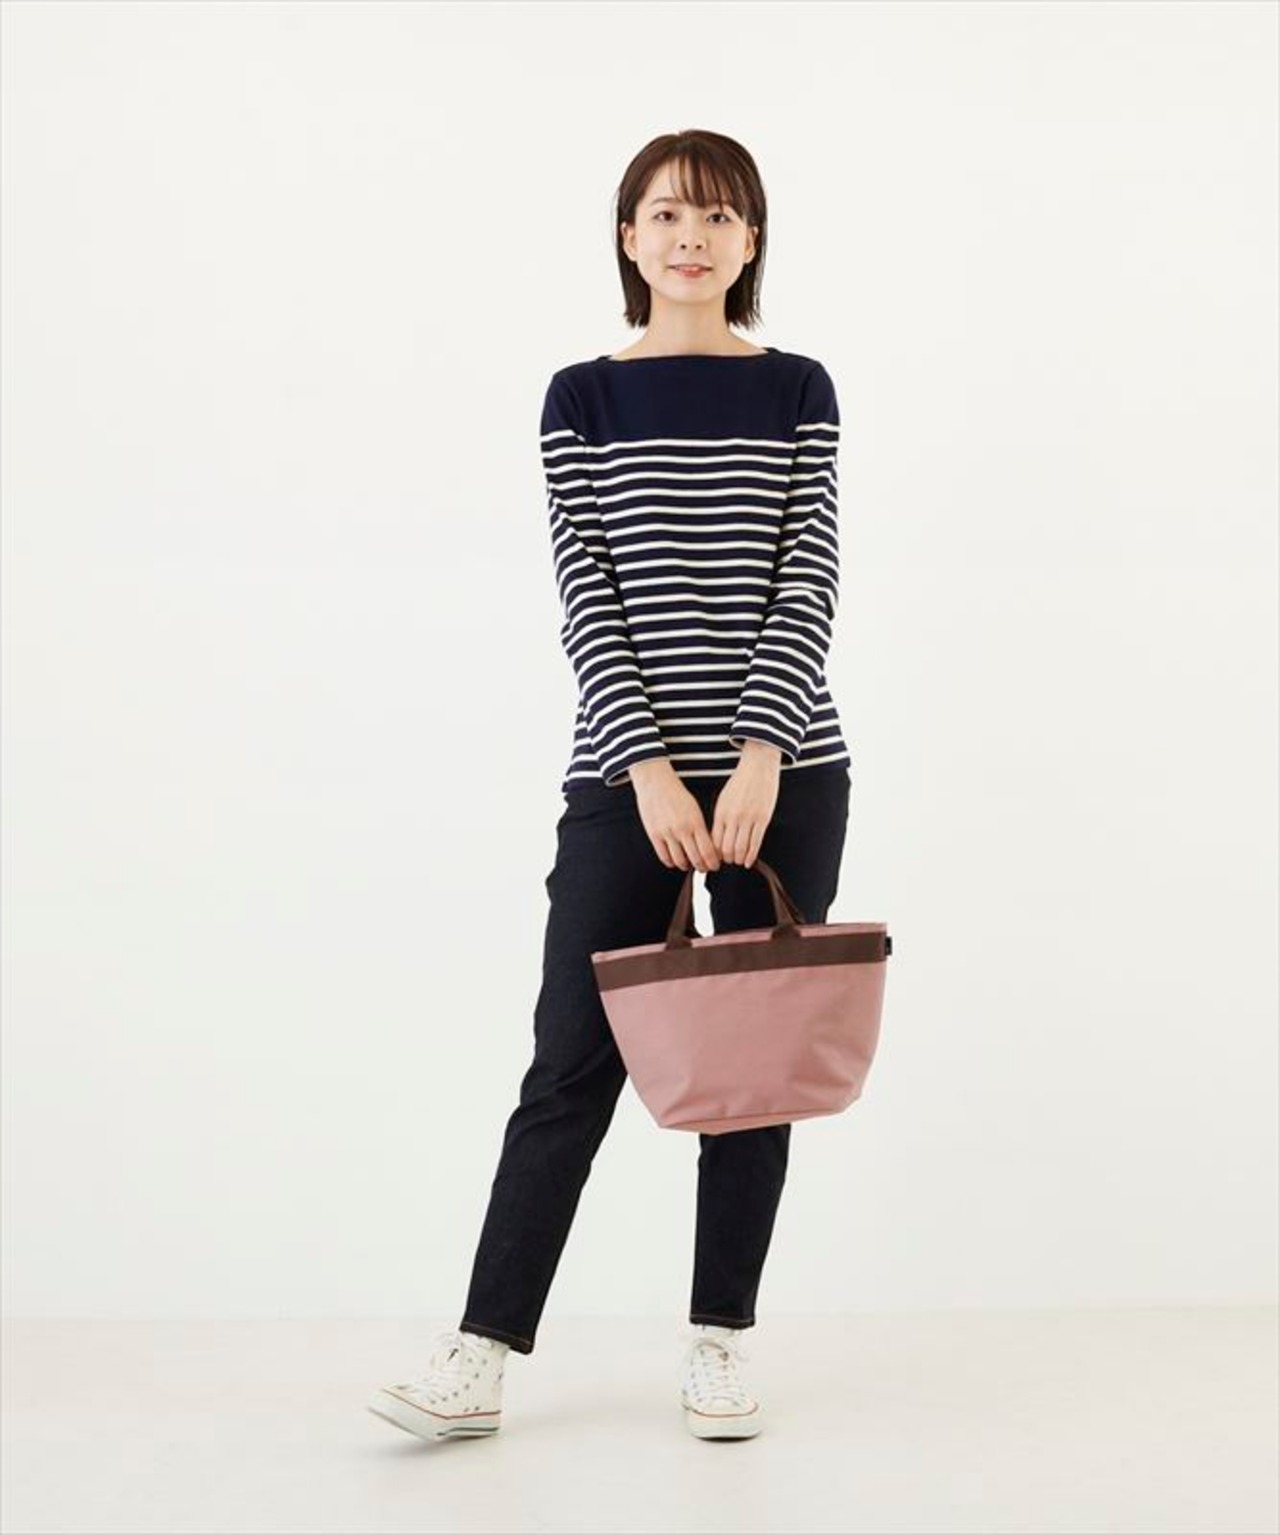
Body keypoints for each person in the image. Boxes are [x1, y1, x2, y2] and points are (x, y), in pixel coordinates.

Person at [368, 128, 852, 1445]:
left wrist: (759, 753)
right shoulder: (579, 397)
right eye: (665, 214)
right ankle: (481, 1354)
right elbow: (590, 597)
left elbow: (807, 578)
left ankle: (720, 1343)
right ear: (629, 237)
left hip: (786, 772)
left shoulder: (800, 389)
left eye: (718, 216)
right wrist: (648, 770)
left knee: (749, 1074)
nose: (691, 236)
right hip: (623, 780)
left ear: (752, 241)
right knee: (569, 1067)